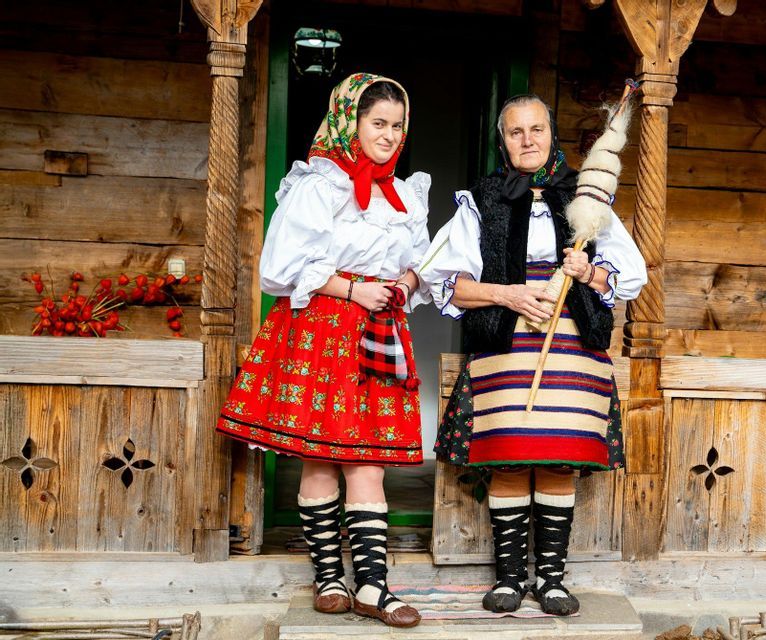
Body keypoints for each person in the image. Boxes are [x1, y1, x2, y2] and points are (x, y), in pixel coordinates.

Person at [418, 94, 646, 616]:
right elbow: (443, 283)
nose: (527, 140)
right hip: (506, 346)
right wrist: (508, 294)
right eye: (515, 132)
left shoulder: (589, 199)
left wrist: (588, 271)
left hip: (573, 347)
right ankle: (509, 579)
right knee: (511, 457)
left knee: (559, 461)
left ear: (551, 134)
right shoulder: (481, 199)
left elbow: (631, 277)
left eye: (536, 129)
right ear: (503, 141)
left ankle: (552, 579)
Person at [216, 73, 430, 629]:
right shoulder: (319, 185)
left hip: (380, 330)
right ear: (349, 122)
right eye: (378, 123)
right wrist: (352, 289)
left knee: (368, 458)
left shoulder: (406, 194)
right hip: (324, 327)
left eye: (397, 125)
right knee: (321, 456)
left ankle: (374, 586)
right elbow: (278, 270)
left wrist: (405, 283)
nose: (389, 135)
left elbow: (422, 263)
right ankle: (329, 577)